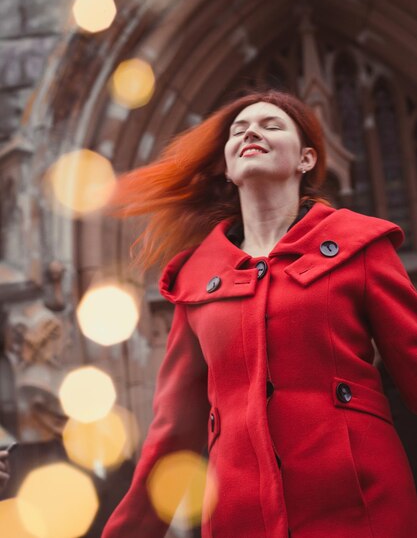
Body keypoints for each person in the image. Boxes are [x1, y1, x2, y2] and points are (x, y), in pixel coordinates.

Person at [102, 90, 417, 538]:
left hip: (362, 507)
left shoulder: (360, 246)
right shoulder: (196, 279)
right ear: (229, 170)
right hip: (238, 517)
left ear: (306, 159)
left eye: (271, 125)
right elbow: (173, 433)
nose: (251, 131)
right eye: (238, 130)